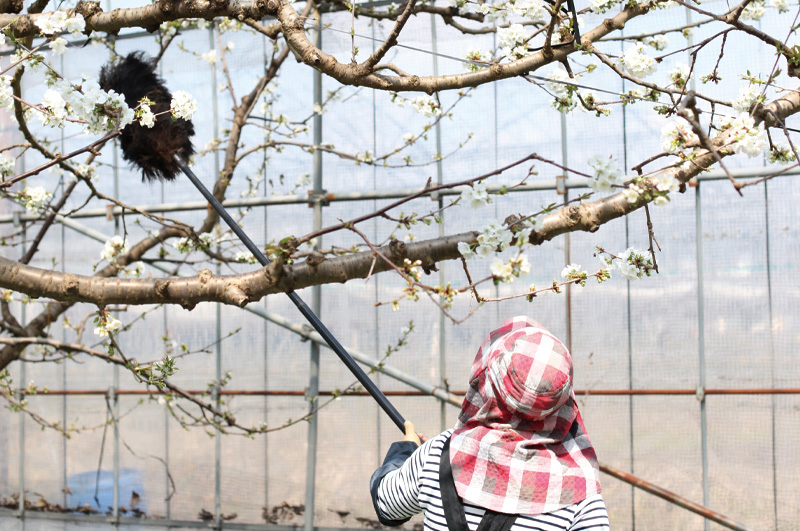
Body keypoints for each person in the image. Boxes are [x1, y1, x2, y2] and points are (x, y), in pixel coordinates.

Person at [370, 316, 610, 531]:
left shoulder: (438, 455)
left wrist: (407, 451)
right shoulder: (579, 494)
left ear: (486, 382)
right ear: (563, 402)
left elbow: (387, 505)